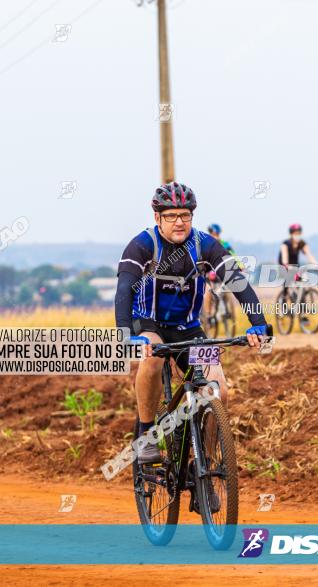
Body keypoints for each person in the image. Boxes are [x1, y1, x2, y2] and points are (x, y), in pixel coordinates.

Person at [115, 182, 271, 464]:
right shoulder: (142, 245)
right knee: (152, 357)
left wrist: (258, 322)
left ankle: (206, 464)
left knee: (218, 390)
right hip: (148, 323)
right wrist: (125, 333)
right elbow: (124, 288)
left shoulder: (204, 244)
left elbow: (237, 281)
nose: (179, 222)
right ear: (157, 218)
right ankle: (146, 430)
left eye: (185, 215)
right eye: (172, 216)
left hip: (189, 327)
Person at [278, 223, 318, 295]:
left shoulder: (302, 243)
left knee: (302, 281)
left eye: (299, 233)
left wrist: (317, 265)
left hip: (295, 266)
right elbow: (285, 259)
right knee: (288, 281)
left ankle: (300, 299)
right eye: (296, 233)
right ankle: (284, 297)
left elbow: (309, 255)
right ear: (291, 234)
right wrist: (287, 266)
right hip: (284, 266)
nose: (298, 235)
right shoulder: (285, 244)